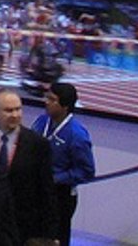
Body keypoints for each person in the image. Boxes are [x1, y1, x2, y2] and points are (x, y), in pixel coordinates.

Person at [0, 89, 56, 242]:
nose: (15, 115)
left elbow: (46, 192)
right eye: (9, 110)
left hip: (24, 227)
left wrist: (48, 236)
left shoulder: (38, 145)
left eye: (18, 109)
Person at [32, 82, 94, 246]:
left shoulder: (77, 135)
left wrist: (56, 178)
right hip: (36, 191)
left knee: (56, 238)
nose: (46, 102)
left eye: (52, 99)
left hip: (61, 197)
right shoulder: (41, 121)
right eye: (47, 97)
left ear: (65, 106)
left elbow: (86, 171)